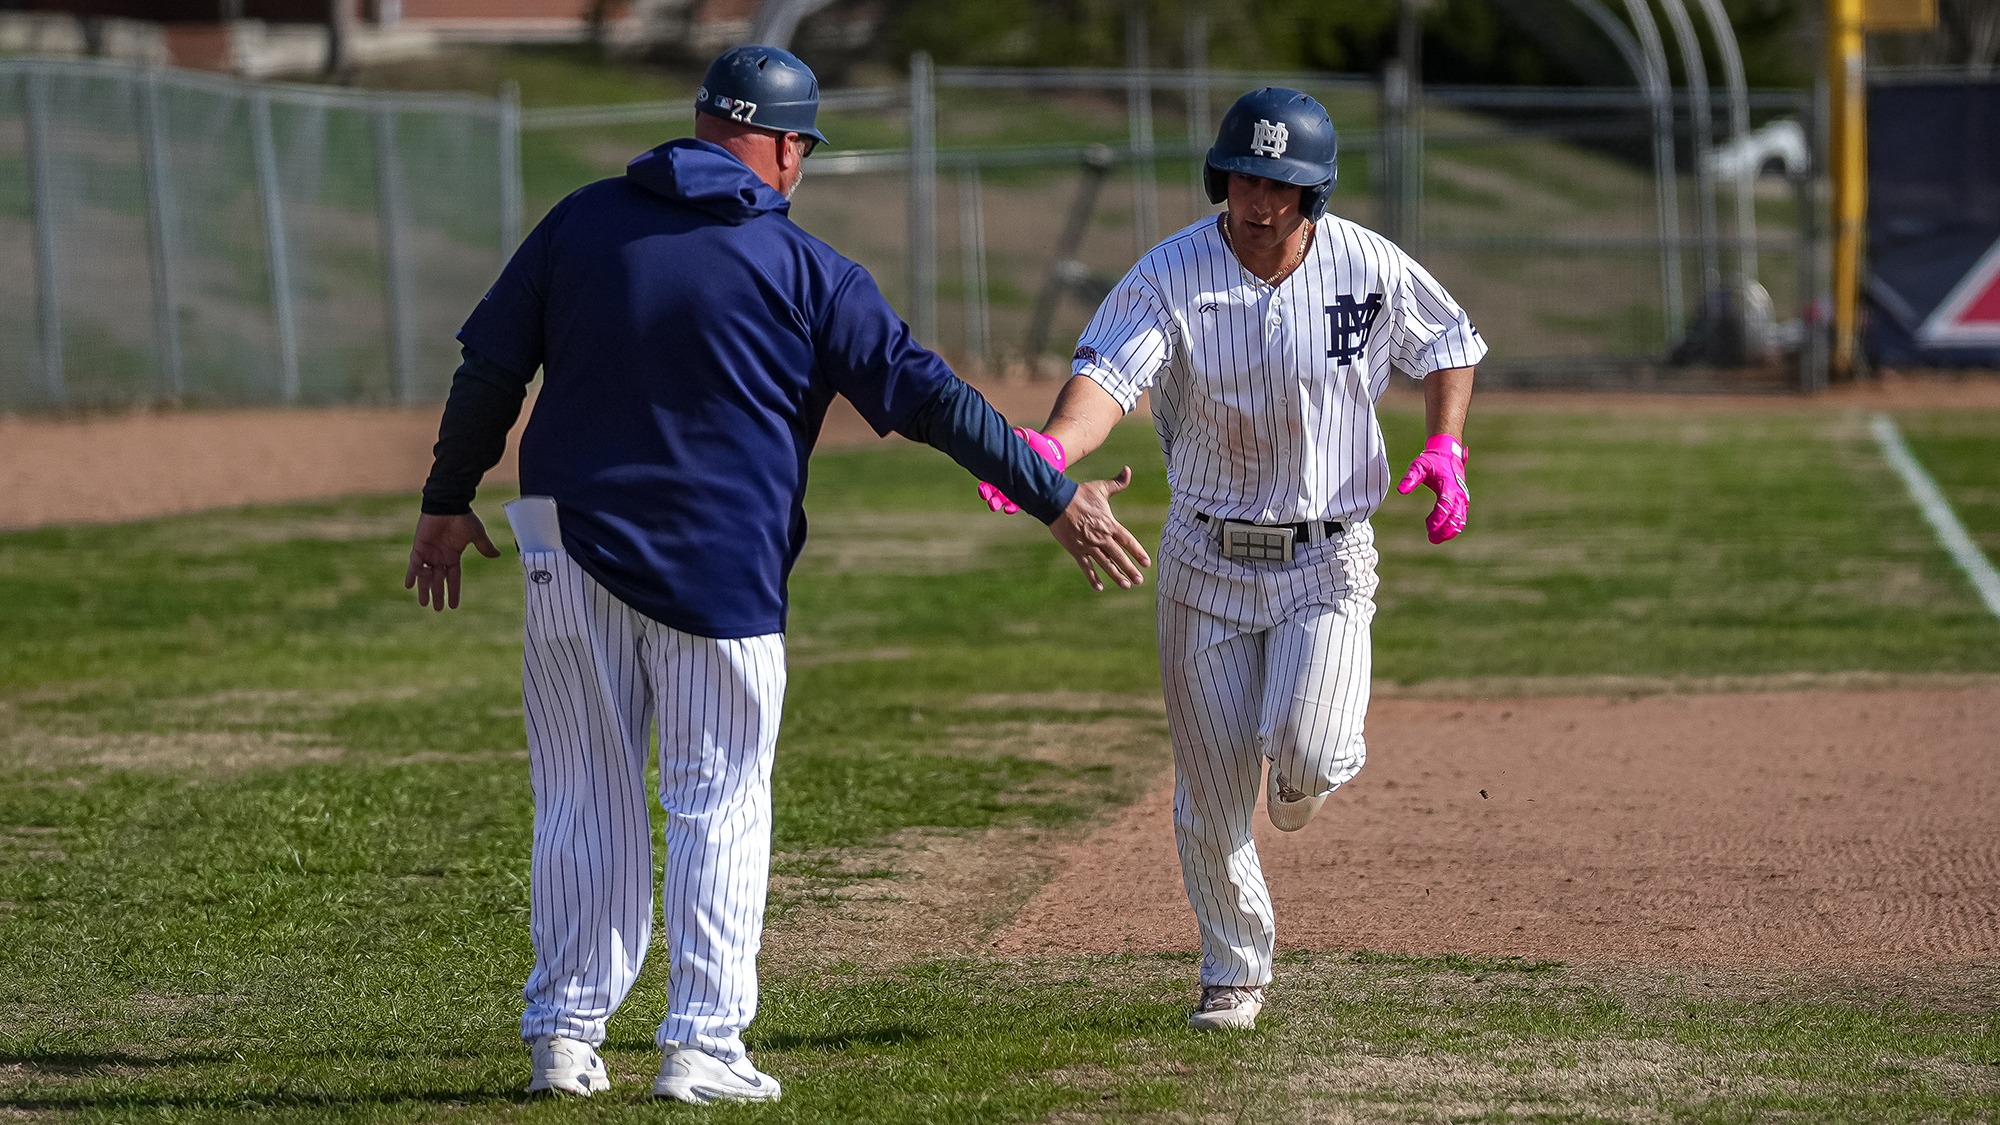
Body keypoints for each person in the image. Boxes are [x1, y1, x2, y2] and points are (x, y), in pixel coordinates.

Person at [404, 45, 1150, 1104]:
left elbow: (488, 370)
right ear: (785, 146)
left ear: (704, 124)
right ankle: (701, 1046)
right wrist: (1054, 494)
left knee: (579, 790)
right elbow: (931, 401)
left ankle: (564, 1039)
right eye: (801, 147)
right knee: (716, 799)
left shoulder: (580, 222)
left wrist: (443, 501)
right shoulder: (809, 272)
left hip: (561, 546)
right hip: (718, 563)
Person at [979, 87, 1482, 1032]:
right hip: (1205, 562)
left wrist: (1446, 447)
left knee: (1310, 753)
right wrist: (1048, 450)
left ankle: (1299, 779)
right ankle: (1233, 969)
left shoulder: (1365, 264)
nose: (1260, 202)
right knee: (1210, 792)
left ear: (1313, 194)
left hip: (1326, 557)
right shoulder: (1172, 274)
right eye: (1246, 178)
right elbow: (1108, 378)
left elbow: (1450, 339)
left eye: (1281, 186)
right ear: (1223, 177)